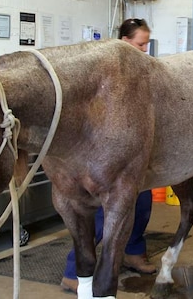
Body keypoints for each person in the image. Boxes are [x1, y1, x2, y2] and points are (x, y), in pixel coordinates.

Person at [61, 18, 156, 292]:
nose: (144, 50)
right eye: (140, 44)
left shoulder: (138, 72)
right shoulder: (103, 69)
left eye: (147, 44)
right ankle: (74, 271)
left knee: (143, 199)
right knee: (104, 215)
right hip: (105, 157)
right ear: (124, 42)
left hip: (133, 152)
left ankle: (133, 251)